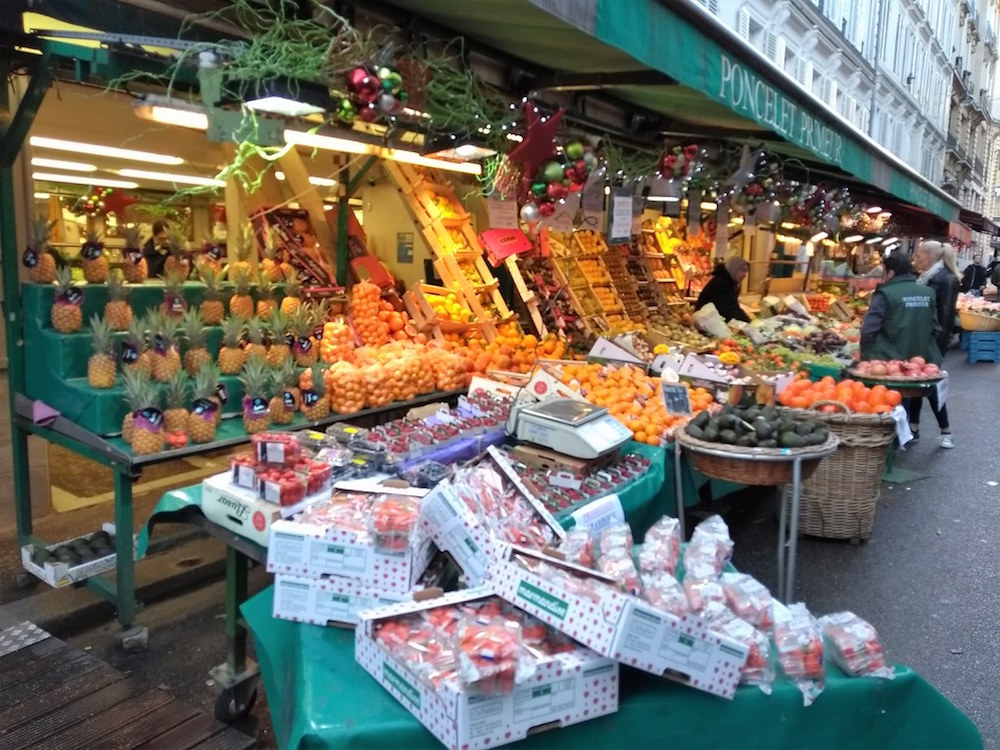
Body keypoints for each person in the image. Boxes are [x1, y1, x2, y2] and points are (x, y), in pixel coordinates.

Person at [910, 240, 958, 448]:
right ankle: (913, 427)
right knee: (915, 381)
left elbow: (945, 319)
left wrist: (936, 350)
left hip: (932, 342)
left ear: (930, 257)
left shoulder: (947, 280)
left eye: (919, 254)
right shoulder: (925, 277)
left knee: (931, 385)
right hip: (920, 338)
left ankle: (946, 430)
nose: (915, 258)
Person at [694, 255, 750, 322]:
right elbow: (729, 309)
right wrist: (748, 322)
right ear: (734, 269)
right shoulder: (721, 285)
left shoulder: (730, 283)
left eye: (746, 271)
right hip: (706, 322)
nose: (745, 274)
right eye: (743, 270)